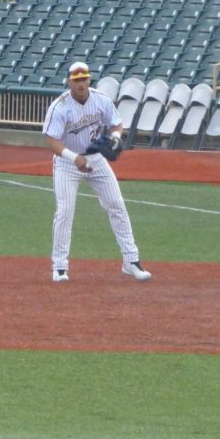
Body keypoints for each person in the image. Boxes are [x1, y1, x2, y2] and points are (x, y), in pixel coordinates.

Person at [42, 61, 151, 283]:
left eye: (84, 79)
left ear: (89, 79)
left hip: (96, 159)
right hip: (67, 162)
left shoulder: (101, 99)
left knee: (117, 205)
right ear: (69, 82)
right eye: (76, 80)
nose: (81, 84)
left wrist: (115, 138)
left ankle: (131, 261)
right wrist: (75, 158)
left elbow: (117, 124)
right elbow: (51, 141)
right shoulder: (59, 106)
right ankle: (60, 267)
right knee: (65, 211)